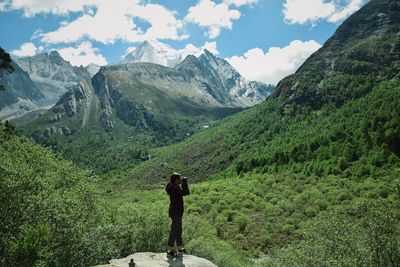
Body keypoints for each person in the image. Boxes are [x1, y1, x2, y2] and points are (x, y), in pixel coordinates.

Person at [165, 172, 190, 258]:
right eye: (179, 179)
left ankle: (180, 248)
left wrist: (181, 182)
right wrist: (185, 183)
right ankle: (169, 250)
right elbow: (186, 192)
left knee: (178, 230)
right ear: (176, 180)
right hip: (176, 212)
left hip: (174, 211)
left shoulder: (172, 186)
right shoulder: (176, 188)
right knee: (174, 230)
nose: (180, 180)